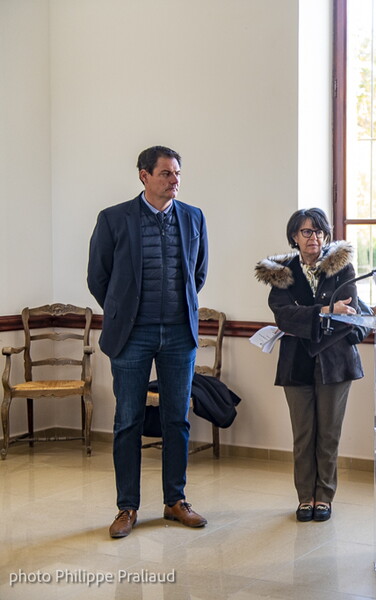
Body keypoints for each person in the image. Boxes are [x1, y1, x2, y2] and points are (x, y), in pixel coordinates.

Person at [87, 146, 209, 539]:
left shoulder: (193, 217)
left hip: (179, 334)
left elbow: (198, 271)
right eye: (166, 174)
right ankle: (127, 507)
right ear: (144, 176)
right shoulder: (113, 219)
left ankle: (175, 500)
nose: (174, 181)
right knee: (128, 421)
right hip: (132, 335)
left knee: (177, 418)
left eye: (177, 174)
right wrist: (123, 312)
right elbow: (98, 277)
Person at [254, 208, 367, 522]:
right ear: (294, 236)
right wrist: (327, 310)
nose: (313, 238)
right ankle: (306, 497)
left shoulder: (342, 268)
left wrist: (307, 313)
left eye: (318, 232)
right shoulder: (281, 271)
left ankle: (324, 496)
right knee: (303, 434)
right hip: (296, 361)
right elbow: (282, 314)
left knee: (328, 434)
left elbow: (350, 311)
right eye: (306, 232)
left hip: (336, 361)